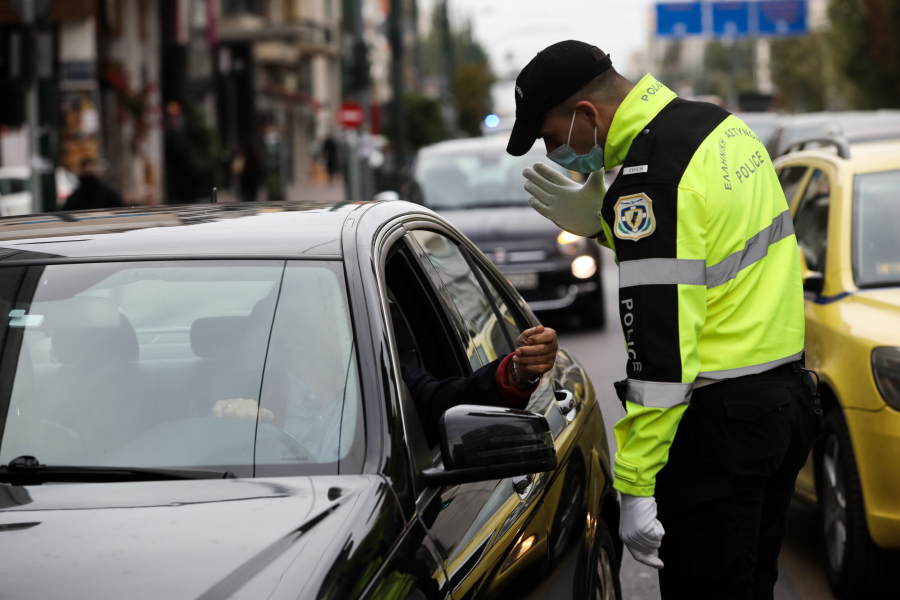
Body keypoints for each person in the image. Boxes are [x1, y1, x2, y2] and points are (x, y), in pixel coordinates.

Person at [508, 40, 816, 599]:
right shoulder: (721, 129)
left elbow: (661, 348)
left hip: (718, 432)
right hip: (782, 409)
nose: (555, 154)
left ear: (586, 115)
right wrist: (609, 225)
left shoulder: (651, 180)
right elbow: (710, 255)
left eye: (552, 138)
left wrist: (635, 482)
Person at [211, 285, 558, 457]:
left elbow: (457, 401)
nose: (344, 315)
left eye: (342, 303)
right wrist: (240, 433)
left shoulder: (388, 383)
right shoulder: (249, 395)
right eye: (325, 307)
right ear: (290, 335)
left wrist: (518, 370)